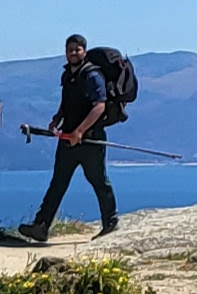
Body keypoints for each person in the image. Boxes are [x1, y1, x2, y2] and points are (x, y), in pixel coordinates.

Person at [20, 36, 131, 244]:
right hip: (68, 137)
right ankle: (41, 226)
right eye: (70, 49)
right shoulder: (68, 75)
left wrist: (80, 131)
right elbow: (68, 102)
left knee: (98, 180)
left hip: (90, 140)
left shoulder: (92, 75)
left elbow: (100, 106)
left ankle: (110, 221)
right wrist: (57, 119)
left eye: (77, 49)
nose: (73, 53)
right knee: (58, 182)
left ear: (84, 51)